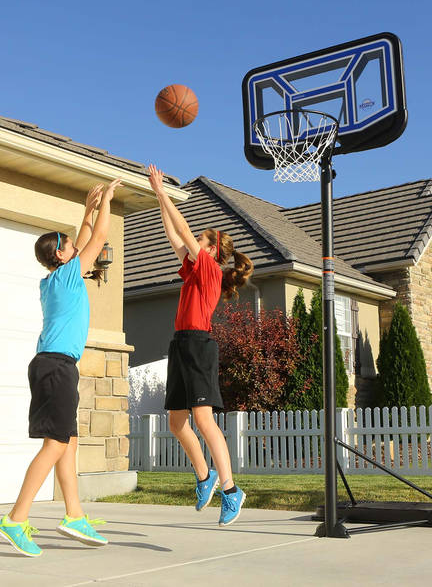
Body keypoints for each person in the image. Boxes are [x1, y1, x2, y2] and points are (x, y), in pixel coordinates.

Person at [0, 179, 123, 557]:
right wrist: (107, 204)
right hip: (56, 367)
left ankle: (74, 515)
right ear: (63, 254)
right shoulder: (69, 274)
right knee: (56, 445)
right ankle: (16, 519)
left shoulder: (53, 278)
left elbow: (84, 235)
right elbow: (99, 235)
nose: (75, 244)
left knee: (66, 445)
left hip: (52, 365)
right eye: (68, 244)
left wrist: (87, 208)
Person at [147, 164, 253, 527]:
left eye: (202, 243)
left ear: (211, 249)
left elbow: (185, 231)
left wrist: (163, 192)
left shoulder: (210, 270)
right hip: (181, 344)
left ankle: (231, 489)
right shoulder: (194, 268)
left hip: (199, 346)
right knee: (177, 422)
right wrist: (158, 198)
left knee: (203, 420)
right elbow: (173, 236)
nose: (195, 246)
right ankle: (205, 477)